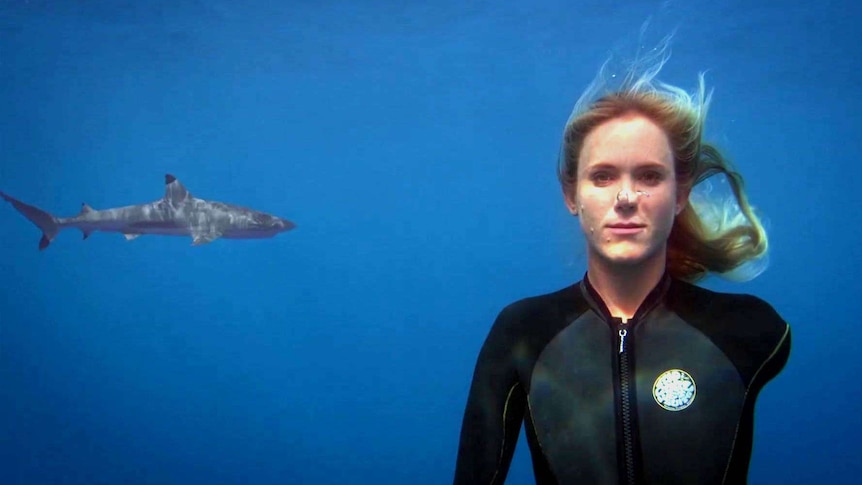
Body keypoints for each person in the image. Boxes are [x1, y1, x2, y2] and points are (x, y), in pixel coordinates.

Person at [452, 50, 791, 485]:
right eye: (603, 176)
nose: (626, 197)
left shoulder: (750, 329)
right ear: (571, 195)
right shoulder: (522, 334)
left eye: (650, 176)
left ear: (681, 194)